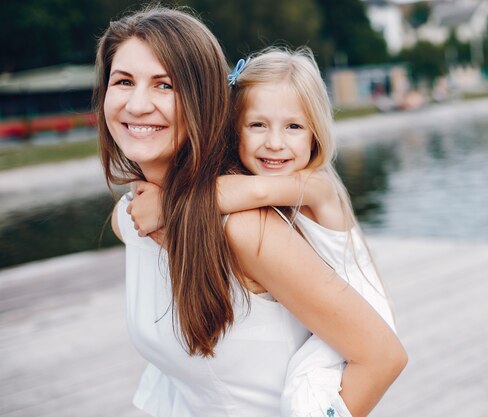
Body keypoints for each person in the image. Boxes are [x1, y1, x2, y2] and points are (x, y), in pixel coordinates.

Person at [94, 5, 407, 417]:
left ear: (204, 100)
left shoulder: (245, 230)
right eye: (124, 81)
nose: (137, 104)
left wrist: (173, 205)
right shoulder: (132, 216)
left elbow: (382, 357)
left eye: (164, 85)